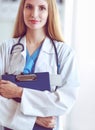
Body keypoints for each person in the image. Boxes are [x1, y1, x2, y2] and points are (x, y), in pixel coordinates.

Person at [0, 0, 80, 130]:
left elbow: (64, 101)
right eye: (29, 7)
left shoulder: (64, 53)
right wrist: (33, 119)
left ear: (50, 12)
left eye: (42, 8)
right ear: (22, 10)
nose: (34, 14)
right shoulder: (7, 48)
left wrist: (19, 92)